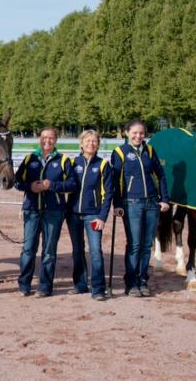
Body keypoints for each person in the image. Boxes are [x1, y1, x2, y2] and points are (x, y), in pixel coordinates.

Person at [15, 127, 75, 298]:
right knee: (28, 249)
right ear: (39, 139)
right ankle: (24, 284)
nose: (47, 141)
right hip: (32, 210)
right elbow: (17, 182)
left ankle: (45, 287)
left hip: (53, 211)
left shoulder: (63, 160)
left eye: (51, 138)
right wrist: (30, 186)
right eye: (44, 137)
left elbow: (72, 185)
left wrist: (52, 185)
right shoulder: (29, 159)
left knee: (49, 251)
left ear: (56, 140)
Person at [111, 119, 169, 297]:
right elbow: (115, 180)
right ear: (127, 133)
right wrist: (118, 204)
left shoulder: (150, 150)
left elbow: (160, 175)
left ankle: (143, 279)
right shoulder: (120, 152)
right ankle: (131, 282)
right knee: (135, 244)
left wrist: (164, 199)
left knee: (146, 245)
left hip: (152, 203)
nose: (138, 136)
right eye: (135, 132)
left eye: (141, 133)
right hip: (132, 204)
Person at [65, 130, 113, 301]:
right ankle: (80, 285)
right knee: (77, 251)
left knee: (95, 252)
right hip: (73, 215)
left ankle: (98, 289)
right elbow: (65, 185)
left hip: (93, 216)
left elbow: (108, 194)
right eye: (87, 141)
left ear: (98, 144)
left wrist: (102, 216)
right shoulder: (72, 162)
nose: (91, 144)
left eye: (94, 141)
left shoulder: (103, 165)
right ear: (81, 143)